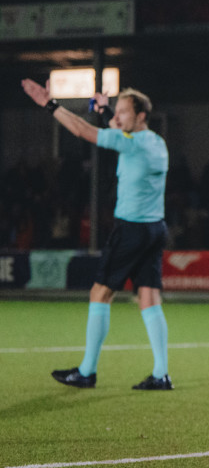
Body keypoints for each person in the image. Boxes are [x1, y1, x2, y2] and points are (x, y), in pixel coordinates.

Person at [21, 80, 173, 391]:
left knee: (99, 294)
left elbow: (81, 130)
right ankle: (161, 374)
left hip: (131, 230)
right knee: (148, 299)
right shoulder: (156, 142)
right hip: (156, 229)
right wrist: (107, 112)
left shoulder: (131, 142)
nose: (118, 117)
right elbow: (120, 132)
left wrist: (50, 105)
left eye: (123, 112)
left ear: (141, 115)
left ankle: (87, 371)